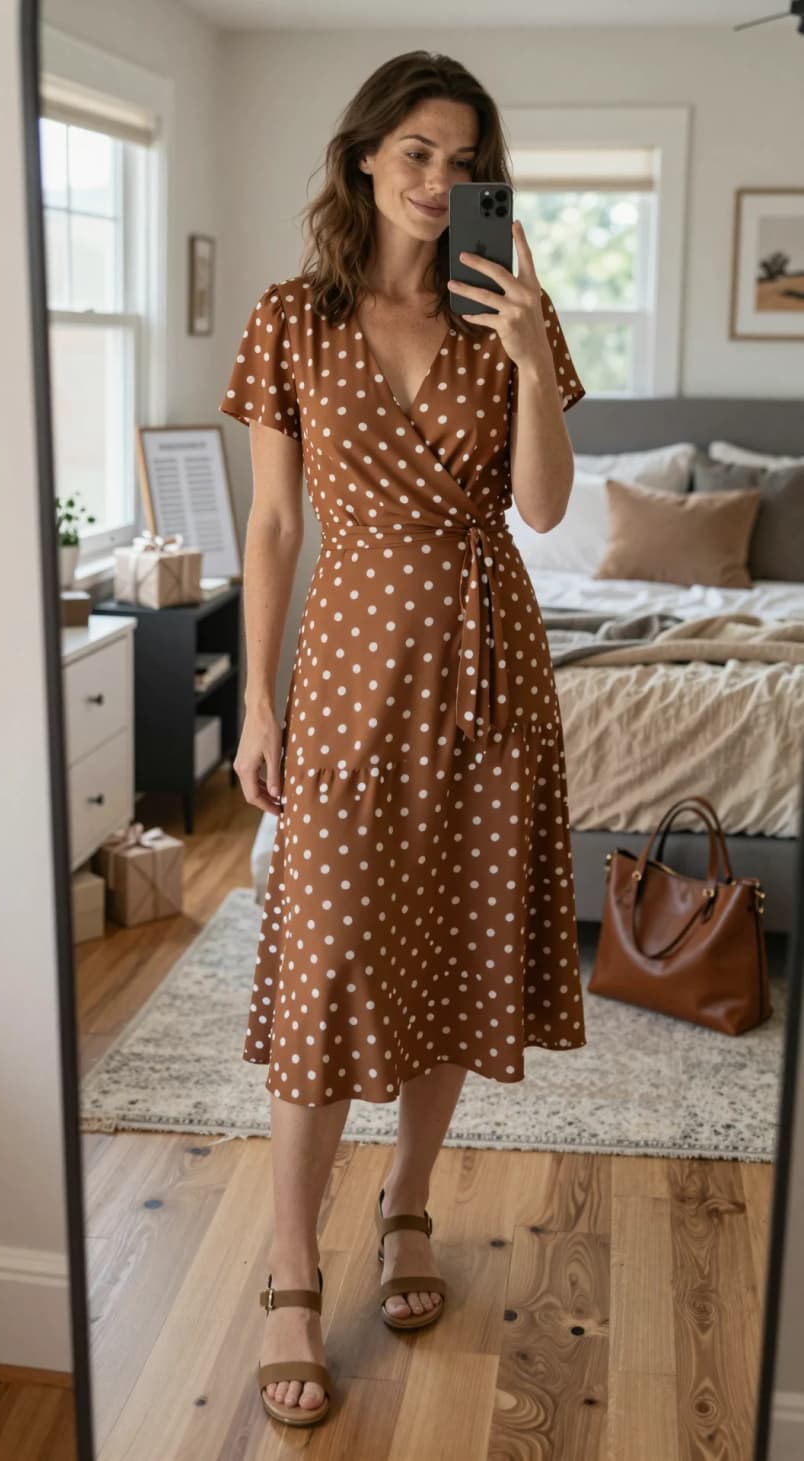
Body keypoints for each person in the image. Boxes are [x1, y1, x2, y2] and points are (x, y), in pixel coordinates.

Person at [219, 49, 588, 1428]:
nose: (444, 182)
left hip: (493, 677)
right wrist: (257, 699)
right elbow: (272, 526)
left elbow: (544, 511)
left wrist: (533, 355)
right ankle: (290, 1265)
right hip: (351, 677)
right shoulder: (292, 317)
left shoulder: (509, 313)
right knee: (322, 966)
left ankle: (411, 1203)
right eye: (421, 153)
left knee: (452, 948)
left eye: (467, 160)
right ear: (368, 154)